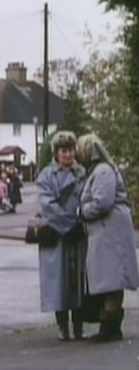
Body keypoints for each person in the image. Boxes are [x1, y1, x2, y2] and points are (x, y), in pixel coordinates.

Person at [76, 134, 139, 342]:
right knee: (110, 277)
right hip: (108, 230)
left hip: (111, 230)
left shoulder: (103, 171)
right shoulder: (100, 171)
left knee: (112, 277)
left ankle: (110, 328)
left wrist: (82, 211)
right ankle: (110, 325)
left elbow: (103, 202)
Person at [35, 131, 87, 341]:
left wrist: (80, 221)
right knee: (58, 282)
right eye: (64, 150)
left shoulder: (82, 172)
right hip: (57, 235)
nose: (68, 154)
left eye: (71, 150)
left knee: (78, 281)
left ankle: (79, 327)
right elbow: (47, 204)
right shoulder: (47, 175)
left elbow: (87, 197)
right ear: (56, 153)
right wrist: (68, 224)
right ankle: (62, 326)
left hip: (77, 234)